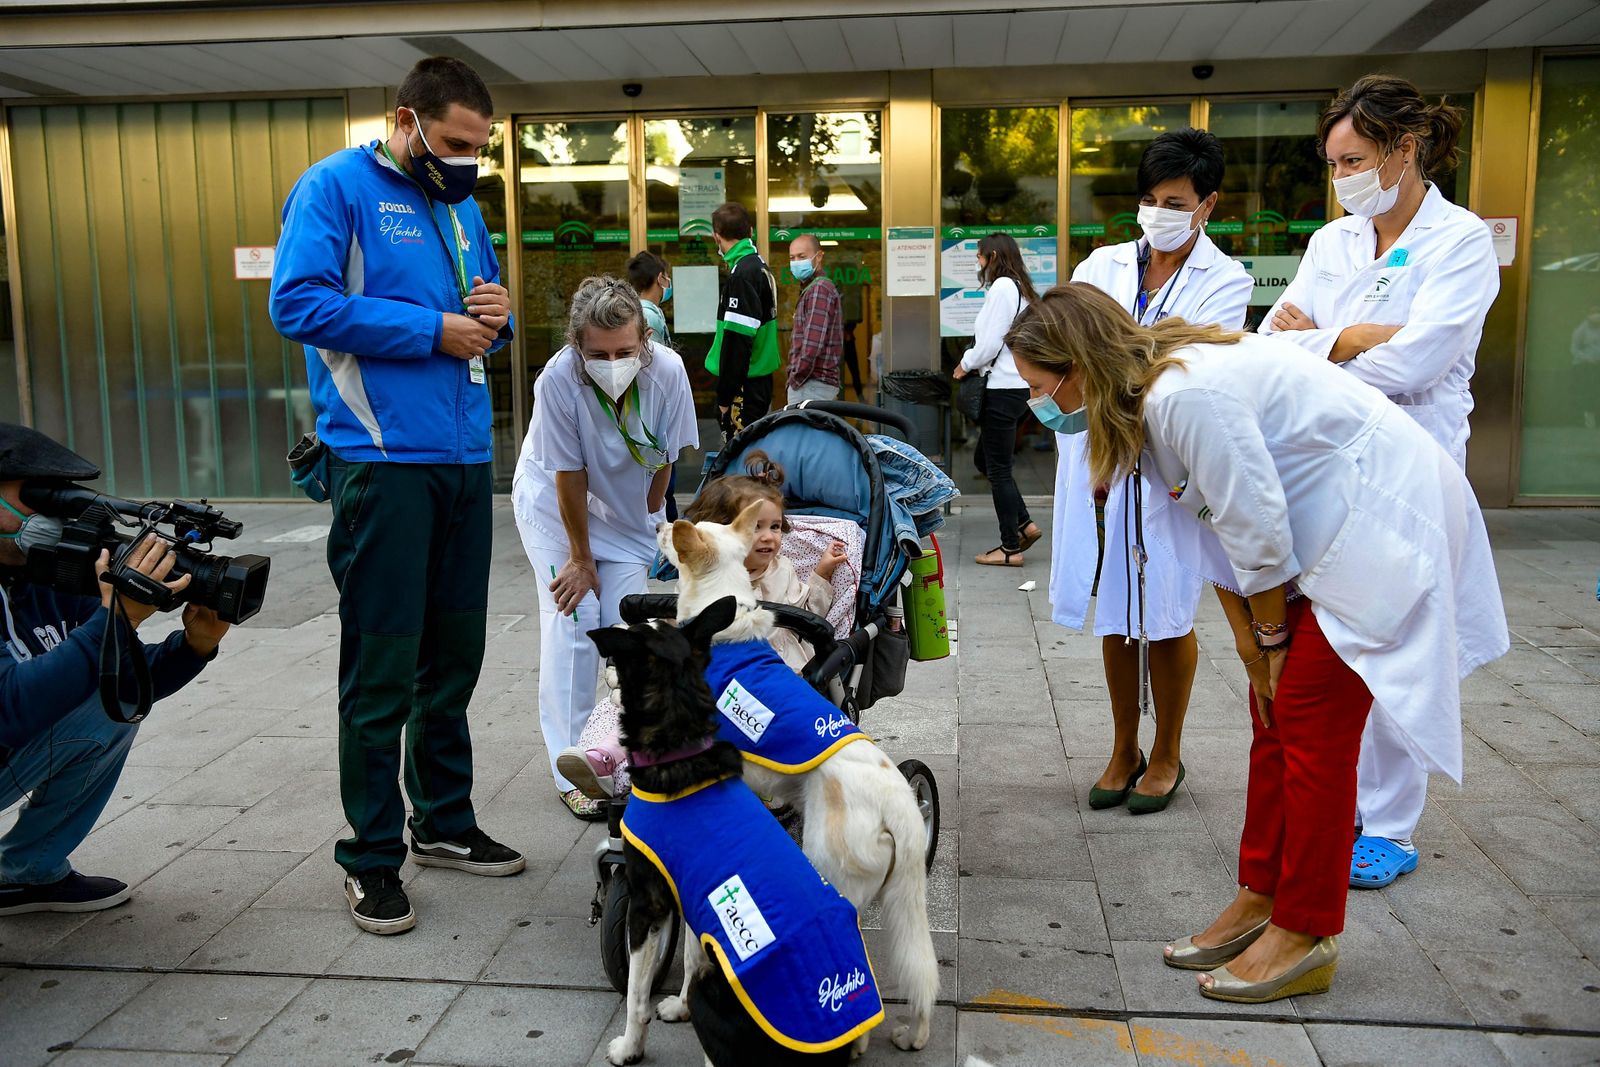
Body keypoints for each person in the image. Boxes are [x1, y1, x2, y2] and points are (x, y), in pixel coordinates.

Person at [1007, 283, 1506, 1004]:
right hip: (1312, 537)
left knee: (1308, 720)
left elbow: (1255, 528)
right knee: (1269, 712)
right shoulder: (1149, 395)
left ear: (1077, 367)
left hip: (1376, 527)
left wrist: (1271, 642)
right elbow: (1213, 530)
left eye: (1037, 386)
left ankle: (1306, 930)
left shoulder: (1183, 395)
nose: (1036, 403)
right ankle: (1261, 894)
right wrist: (1252, 650)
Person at [270, 56, 524, 936]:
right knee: (381, 671)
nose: (466, 161)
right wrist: (430, 330)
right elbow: (297, 304)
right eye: (453, 141)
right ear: (405, 120)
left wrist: (497, 313)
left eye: (478, 147)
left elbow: (483, 319)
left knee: (453, 659)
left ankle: (443, 821)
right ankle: (371, 857)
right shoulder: (334, 188)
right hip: (381, 463)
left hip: (463, 459)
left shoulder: (462, 206)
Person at [1260, 75, 1500, 889]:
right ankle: (1345, 800)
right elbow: (1271, 342)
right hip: (1329, 464)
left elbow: (1419, 361)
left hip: (1413, 467)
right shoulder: (1333, 242)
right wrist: (1356, 336)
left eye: (1354, 160)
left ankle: (1391, 822)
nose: (1341, 179)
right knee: (1335, 637)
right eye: (1333, 164)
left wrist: (1320, 343)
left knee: (1398, 641)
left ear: (1406, 148)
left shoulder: (1459, 242)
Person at [1059, 128, 1254, 814]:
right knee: (1116, 610)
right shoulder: (1101, 265)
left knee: (1168, 610)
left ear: (1208, 205)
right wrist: (1134, 356)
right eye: (1149, 199)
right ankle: (1123, 747)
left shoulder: (1226, 280)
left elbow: (1191, 365)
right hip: (1105, 458)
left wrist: (1121, 357)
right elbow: (1078, 347)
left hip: (1172, 463)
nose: (1158, 213)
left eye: (1174, 202)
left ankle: (1167, 749)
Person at [0, 426, 227, 915]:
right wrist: (115, 618)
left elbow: (120, 678)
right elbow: (8, 712)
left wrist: (195, 646)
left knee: (112, 708)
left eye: (57, 498)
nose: (48, 515)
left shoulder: (45, 570)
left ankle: (27, 873)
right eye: (35, 496)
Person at [556, 450, 847, 800]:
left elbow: (806, 612)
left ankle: (751, 778)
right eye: (756, 528)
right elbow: (680, 619)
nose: (769, 537)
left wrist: (822, 573)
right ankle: (605, 757)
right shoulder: (701, 576)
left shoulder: (781, 571)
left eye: (775, 527)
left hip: (765, 671)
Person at [513, 276, 698, 819]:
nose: (612, 363)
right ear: (577, 344)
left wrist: (651, 521)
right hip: (556, 509)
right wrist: (580, 559)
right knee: (576, 620)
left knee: (627, 625)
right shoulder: (558, 378)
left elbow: (666, 458)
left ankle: (621, 751)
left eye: (624, 351)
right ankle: (572, 768)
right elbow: (568, 476)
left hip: (624, 507)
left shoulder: (668, 371)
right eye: (598, 354)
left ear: (645, 340)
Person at [952, 233, 1041, 567]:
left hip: (1002, 389)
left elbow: (990, 343)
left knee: (999, 469)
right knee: (985, 460)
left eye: (979, 256)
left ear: (992, 256)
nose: (978, 262)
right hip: (1017, 387)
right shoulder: (1021, 289)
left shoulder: (1003, 287)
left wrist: (965, 363)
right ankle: (1025, 524)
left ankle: (1010, 548)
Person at [706, 201, 779, 441]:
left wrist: (724, 398)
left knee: (741, 457)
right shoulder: (758, 267)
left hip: (744, 388)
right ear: (750, 231)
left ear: (716, 236)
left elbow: (737, 341)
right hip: (756, 382)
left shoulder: (743, 275)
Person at [786, 233, 844, 404]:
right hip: (813, 384)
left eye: (802, 256)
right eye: (792, 258)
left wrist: (795, 377)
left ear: (818, 256)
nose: (796, 262)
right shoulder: (813, 289)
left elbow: (812, 345)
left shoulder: (819, 289)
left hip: (811, 385)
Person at [626, 250, 672, 348]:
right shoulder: (649, 316)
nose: (669, 281)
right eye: (667, 276)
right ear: (660, 278)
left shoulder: (642, 311)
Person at [1571, 307, 1600, 430]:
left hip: (1597, 365)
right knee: (1589, 391)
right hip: (1584, 365)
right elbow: (1574, 349)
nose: (1597, 315)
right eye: (1594, 313)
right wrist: (1587, 358)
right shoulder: (1581, 330)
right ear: (1588, 315)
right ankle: (1589, 421)